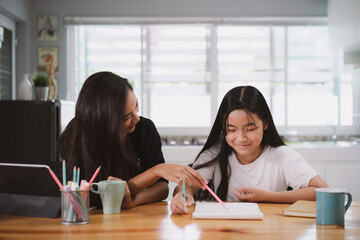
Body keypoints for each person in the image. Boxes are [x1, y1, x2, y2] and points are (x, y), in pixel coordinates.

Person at [58, 71, 206, 209]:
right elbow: (93, 194)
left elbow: (161, 188)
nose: (137, 118)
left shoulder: (144, 129)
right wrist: (156, 171)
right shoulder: (73, 139)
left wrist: (133, 201)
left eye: (136, 106)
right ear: (103, 123)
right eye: (126, 117)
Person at [170, 85, 328, 214]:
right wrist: (181, 196)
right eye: (231, 130)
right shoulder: (214, 154)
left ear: (265, 124)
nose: (241, 138)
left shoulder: (282, 156)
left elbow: (322, 192)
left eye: (250, 129)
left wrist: (268, 196)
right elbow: (187, 186)